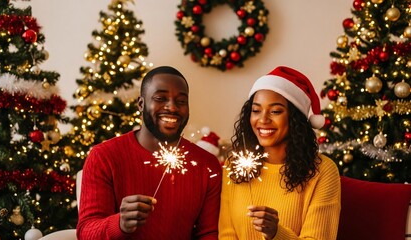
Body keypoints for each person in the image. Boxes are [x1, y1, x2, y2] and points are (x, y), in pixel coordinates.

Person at [77, 66, 222, 239]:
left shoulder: (207, 164)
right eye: (160, 98)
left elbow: (208, 234)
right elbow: (86, 232)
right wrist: (120, 223)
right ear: (141, 104)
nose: (172, 107)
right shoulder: (104, 156)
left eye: (181, 101)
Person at [218, 66, 341, 240]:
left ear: (294, 118)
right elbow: (226, 235)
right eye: (256, 110)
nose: (263, 120)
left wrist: (276, 233)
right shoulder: (234, 164)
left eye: (275, 111)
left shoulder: (323, 171)